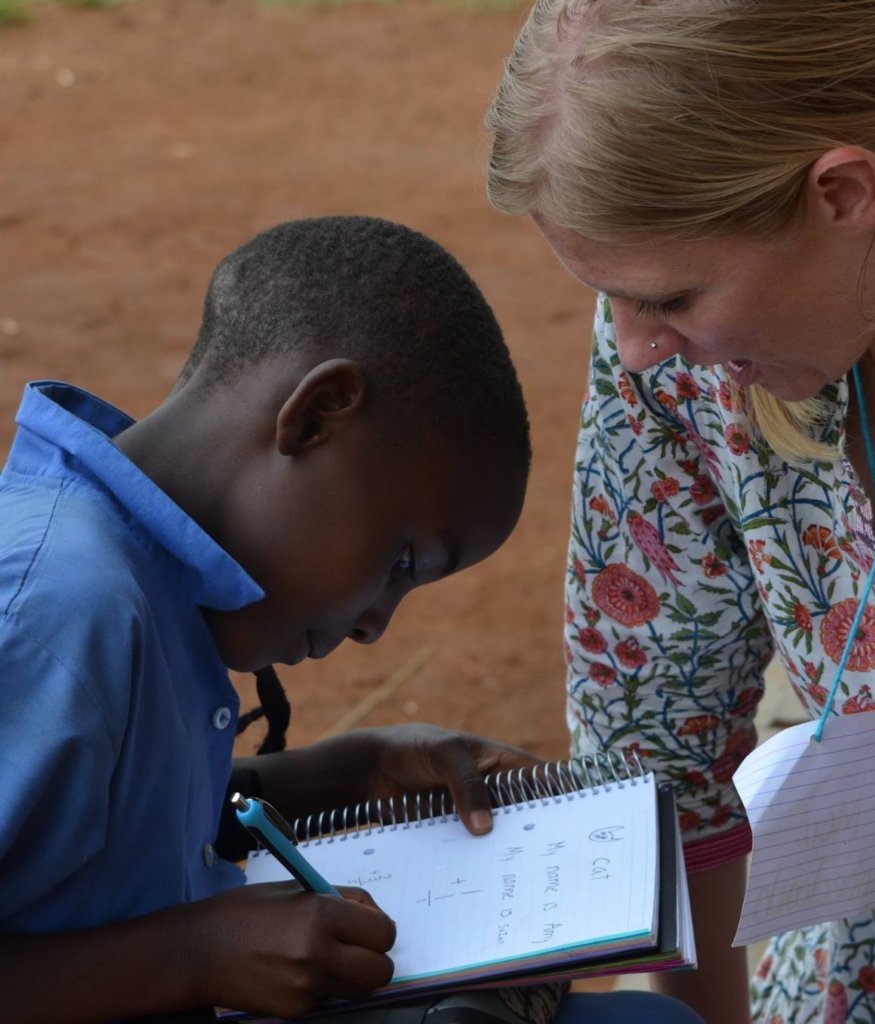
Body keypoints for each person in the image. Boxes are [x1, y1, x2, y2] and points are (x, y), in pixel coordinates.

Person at [0, 216, 699, 1024]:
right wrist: (193, 957)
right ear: (317, 415)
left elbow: (105, 836)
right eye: (404, 563)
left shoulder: (146, 584)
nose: (374, 628)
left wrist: (355, 768)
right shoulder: (57, 613)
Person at [485, 1, 875, 1022]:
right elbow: (651, 741)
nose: (637, 348)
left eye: (673, 298)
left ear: (844, 194)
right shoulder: (687, 361)